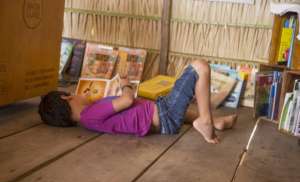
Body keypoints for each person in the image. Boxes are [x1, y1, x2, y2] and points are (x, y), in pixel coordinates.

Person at [39, 60, 237, 144]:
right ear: (67, 97)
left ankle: (214, 120)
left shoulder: (89, 116)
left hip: (161, 113)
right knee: (199, 67)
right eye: (73, 92)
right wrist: (125, 85)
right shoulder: (89, 115)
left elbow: (122, 111)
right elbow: (127, 100)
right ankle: (206, 122)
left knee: (185, 100)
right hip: (164, 114)